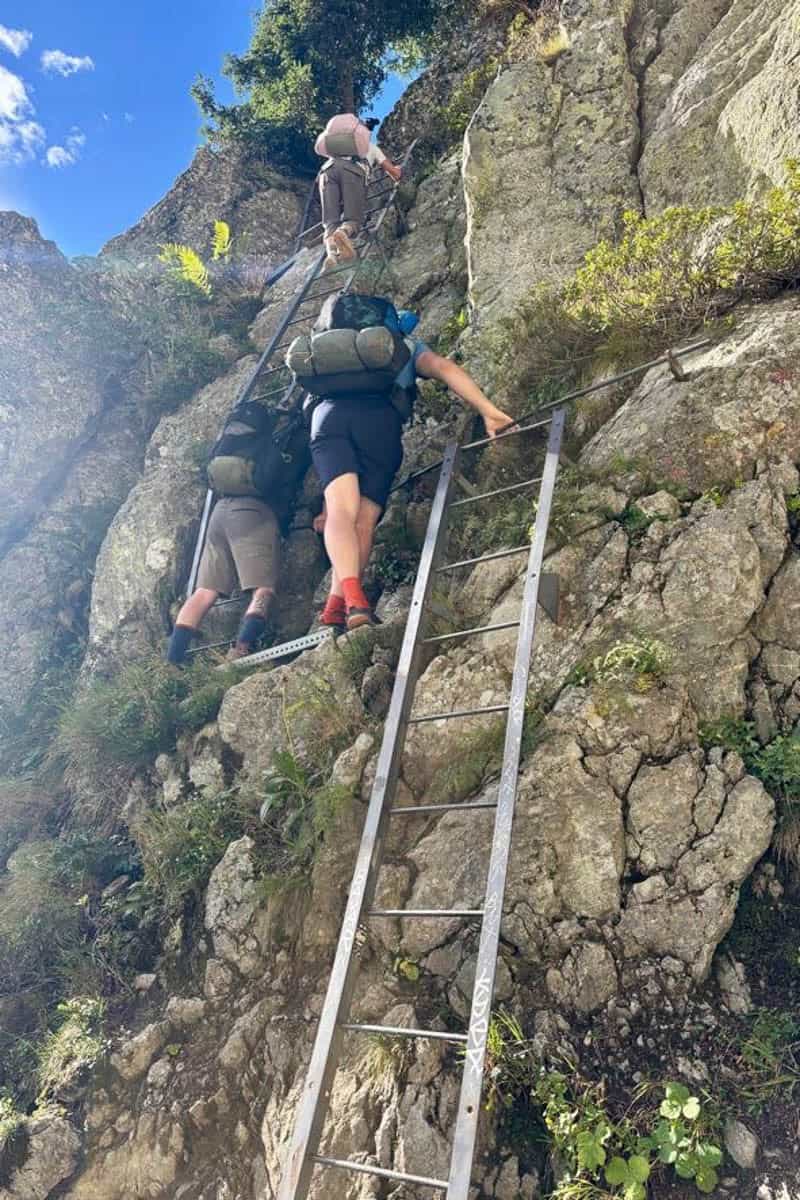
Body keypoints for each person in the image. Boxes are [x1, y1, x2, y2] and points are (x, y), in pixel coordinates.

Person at [310, 327, 515, 632]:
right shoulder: (401, 345)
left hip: (328, 418)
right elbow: (444, 368)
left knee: (341, 511)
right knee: (363, 520)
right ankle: (347, 605)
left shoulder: (330, 355)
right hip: (380, 423)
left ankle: (343, 604)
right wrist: (489, 411)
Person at [166, 497, 281, 664]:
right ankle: (242, 649)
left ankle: (172, 662)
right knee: (263, 589)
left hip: (219, 513)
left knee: (204, 592)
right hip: (252, 511)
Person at [314, 114, 403, 270]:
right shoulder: (371, 147)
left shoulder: (338, 145)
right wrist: (398, 171)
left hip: (326, 172)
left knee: (330, 223)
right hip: (352, 172)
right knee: (353, 219)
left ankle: (332, 257)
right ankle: (343, 232)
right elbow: (393, 173)